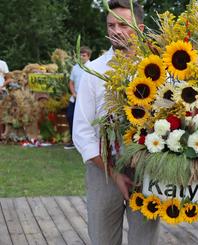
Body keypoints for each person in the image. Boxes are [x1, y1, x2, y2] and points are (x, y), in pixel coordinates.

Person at [73, 1, 160, 245]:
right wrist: (111, 172)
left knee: (145, 240)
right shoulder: (93, 71)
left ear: (140, 28)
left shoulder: (156, 69)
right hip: (103, 167)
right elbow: (81, 131)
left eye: (123, 24)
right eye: (111, 25)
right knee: (102, 239)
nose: (116, 30)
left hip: (147, 168)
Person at [64, 46, 92, 150]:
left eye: (84, 55)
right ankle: (73, 141)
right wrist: (74, 93)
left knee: (86, 120)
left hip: (87, 100)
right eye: (80, 55)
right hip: (75, 98)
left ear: (88, 56)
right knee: (70, 116)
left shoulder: (92, 67)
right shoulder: (75, 67)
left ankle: (87, 142)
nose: (81, 57)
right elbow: (71, 83)